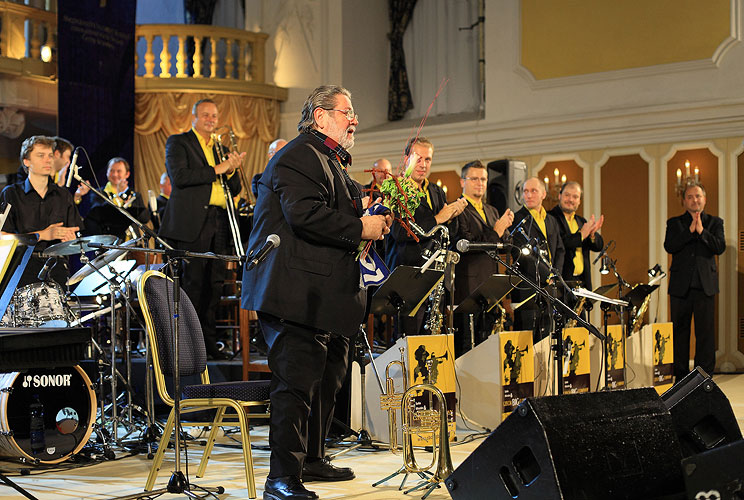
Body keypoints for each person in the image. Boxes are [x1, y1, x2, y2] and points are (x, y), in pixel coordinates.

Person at [242, 85, 390, 500]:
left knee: (326, 379)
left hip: (324, 294)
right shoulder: (297, 154)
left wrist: (373, 217)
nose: (354, 119)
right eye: (347, 111)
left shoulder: (329, 160)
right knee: (295, 384)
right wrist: (362, 227)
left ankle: (311, 458)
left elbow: (334, 215)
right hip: (294, 293)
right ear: (320, 116)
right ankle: (280, 479)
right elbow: (304, 214)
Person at [159, 98, 245, 360]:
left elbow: (236, 189)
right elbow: (181, 178)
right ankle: (186, 348)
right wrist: (220, 169)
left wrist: (231, 172)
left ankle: (208, 346)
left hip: (219, 222)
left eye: (214, 116)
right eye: (205, 115)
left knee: (214, 285)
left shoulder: (220, 147)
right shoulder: (179, 142)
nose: (211, 119)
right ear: (194, 117)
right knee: (192, 285)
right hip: (191, 224)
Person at [384, 137, 467, 336]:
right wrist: (439, 218)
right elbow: (400, 232)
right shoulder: (396, 188)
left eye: (427, 159)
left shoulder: (436, 190)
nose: (423, 165)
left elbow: (447, 232)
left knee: (432, 338)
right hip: (408, 274)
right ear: (406, 159)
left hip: (435, 274)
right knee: (409, 339)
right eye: (417, 158)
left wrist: (453, 216)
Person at [0, 135, 83, 288]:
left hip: (57, 268)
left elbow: (76, 234)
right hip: (22, 269)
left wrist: (71, 239)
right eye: (41, 155)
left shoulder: (64, 195)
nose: (48, 160)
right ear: (26, 161)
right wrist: (42, 235)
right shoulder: (11, 193)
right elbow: (3, 238)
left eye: (50, 155)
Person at [664, 182, 724, 381]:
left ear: (704, 199)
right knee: (679, 332)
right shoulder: (674, 223)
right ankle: (681, 377)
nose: (694, 200)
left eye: (698, 196)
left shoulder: (715, 223)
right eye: (690, 196)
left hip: (705, 286)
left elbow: (719, 247)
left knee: (705, 333)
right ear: (684, 201)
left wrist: (702, 232)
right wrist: (690, 231)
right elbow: (670, 246)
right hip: (681, 287)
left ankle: (704, 376)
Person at [452, 160, 513, 355]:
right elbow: (466, 244)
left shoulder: (491, 210)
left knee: (488, 349)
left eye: (484, 179)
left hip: (490, 288)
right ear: (463, 182)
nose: (480, 183)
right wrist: (497, 231)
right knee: (468, 349)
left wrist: (504, 232)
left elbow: (501, 245)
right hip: (468, 289)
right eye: (475, 179)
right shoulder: (457, 209)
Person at [508, 177, 565, 341]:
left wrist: (556, 274)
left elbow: (560, 250)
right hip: (527, 286)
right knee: (527, 337)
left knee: (547, 334)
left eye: (533, 191)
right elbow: (522, 255)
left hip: (549, 288)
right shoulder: (517, 219)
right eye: (525, 191)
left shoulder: (551, 220)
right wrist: (548, 275)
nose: (528, 195)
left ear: (544, 194)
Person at [547, 181, 604, 290]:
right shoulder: (550, 218)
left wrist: (592, 235)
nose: (570, 200)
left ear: (579, 201)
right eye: (567, 195)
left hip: (582, 282)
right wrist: (581, 235)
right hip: (562, 282)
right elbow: (559, 244)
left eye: (575, 197)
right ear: (559, 196)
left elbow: (598, 246)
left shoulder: (581, 221)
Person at [83, 157, 150, 241]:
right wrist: (119, 196)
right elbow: (98, 215)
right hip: (109, 242)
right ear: (107, 172)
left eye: (119, 171)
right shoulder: (98, 193)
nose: (114, 174)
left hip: (133, 243)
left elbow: (144, 219)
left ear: (127, 174)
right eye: (111, 171)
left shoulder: (134, 194)